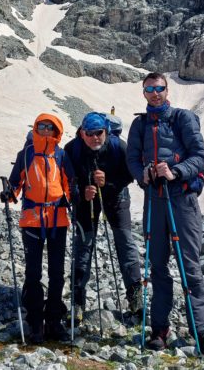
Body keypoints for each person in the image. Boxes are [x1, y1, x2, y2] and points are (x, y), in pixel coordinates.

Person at [126, 72, 204, 355]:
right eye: (149, 89)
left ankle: (200, 329)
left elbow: (199, 155)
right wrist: (142, 175)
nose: (154, 93)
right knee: (157, 267)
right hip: (154, 199)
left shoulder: (183, 118)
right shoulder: (139, 124)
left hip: (182, 200)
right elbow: (131, 157)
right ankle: (159, 329)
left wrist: (175, 171)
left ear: (167, 90)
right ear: (143, 93)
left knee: (190, 265)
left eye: (159, 88)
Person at [64, 112, 143, 324]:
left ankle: (135, 297)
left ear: (106, 132)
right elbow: (67, 183)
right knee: (83, 247)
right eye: (89, 133)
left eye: (99, 133)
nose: (95, 137)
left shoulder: (119, 147)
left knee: (125, 244)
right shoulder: (72, 150)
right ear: (82, 133)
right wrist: (81, 192)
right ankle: (77, 301)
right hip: (86, 202)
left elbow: (130, 175)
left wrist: (107, 183)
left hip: (116, 198)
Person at [6, 113, 75, 343]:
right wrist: (9, 193)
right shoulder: (26, 154)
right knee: (33, 273)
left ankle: (53, 321)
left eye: (50, 127)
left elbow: (70, 183)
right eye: (41, 126)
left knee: (57, 273)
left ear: (57, 131)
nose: (46, 130)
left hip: (57, 219)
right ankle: (36, 322)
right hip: (33, 219)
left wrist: (71, 196)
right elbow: (16, 182)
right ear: (36, 128)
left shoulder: (61, 155)